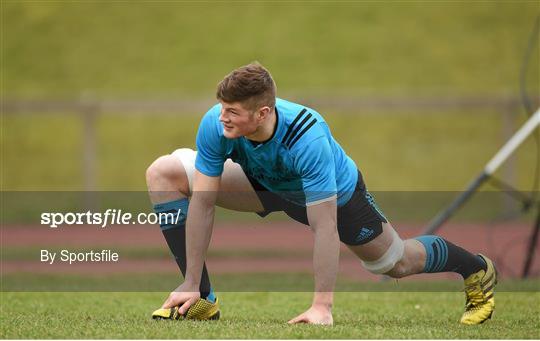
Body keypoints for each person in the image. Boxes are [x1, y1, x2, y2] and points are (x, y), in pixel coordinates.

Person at [146, 62, 497, 325]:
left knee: (395, 262)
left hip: (334, 197)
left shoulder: (306, 136)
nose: (222, 118)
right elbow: (204, 202)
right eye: (222, 108)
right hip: (265, 184)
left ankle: (475, 268)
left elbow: (325, 227)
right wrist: (190, 280)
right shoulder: (216, 123)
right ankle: (200, 299)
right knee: (164, 173)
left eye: (233, 113)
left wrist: (321, 306)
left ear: (263, 112)